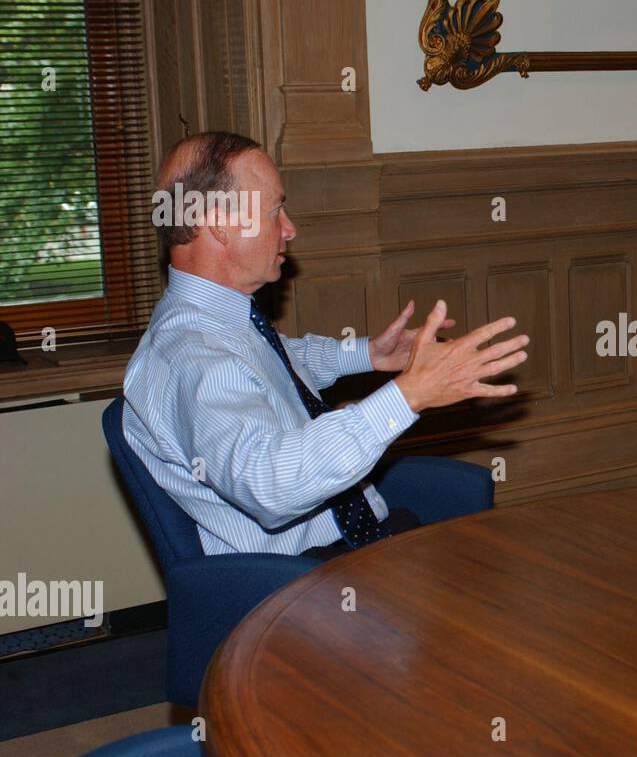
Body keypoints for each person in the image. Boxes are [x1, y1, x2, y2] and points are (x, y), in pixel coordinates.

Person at [124, 131, 529, 556]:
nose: (289, 228)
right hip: (304, 579)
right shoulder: (191, 357)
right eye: (275, 211)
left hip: (357, 540)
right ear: (221, 227)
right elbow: (270, 486)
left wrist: (367, 354)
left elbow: (276, 363)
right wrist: (409, 395)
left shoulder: (215, 320)